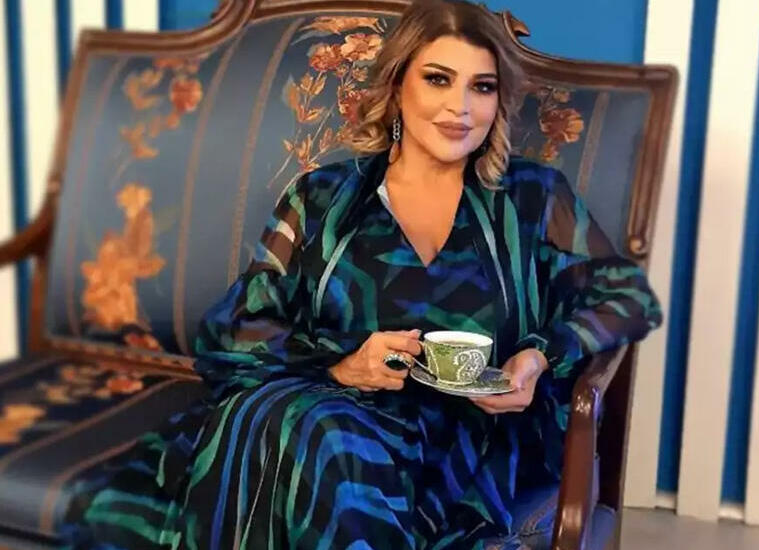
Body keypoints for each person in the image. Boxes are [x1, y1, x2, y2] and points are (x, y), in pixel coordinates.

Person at [63, 0, 662, 548]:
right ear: (397, 85)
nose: (460, 107)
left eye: (482, 87)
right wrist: (344, 364)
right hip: (323, 409)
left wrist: (538, 356)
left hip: (458, 443)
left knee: (315, 439)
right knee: (292, 426)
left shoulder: (531, 197)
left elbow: (628, 296)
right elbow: (237, 327)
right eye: (437, 79)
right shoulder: (324, 198)